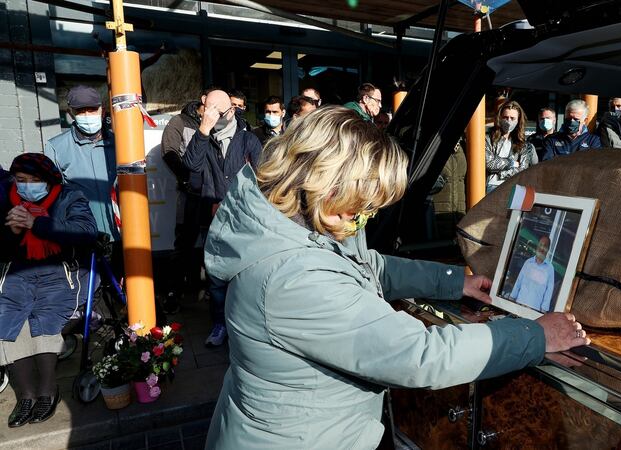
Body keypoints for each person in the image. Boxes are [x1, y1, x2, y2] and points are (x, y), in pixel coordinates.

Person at [203, 106, 590, 448]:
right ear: (328, 185)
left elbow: (367, 266)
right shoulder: (292, 276)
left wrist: (455, 282)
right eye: (364, 205)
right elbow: (418, 356)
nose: (365, 217)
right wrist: (536, 336)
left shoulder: (291, 224)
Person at [1, 153, 97, 428]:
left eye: (35, 180)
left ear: (50, 179)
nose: (27, 186)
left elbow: (86, 232)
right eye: (21, 180)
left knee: (45, 320)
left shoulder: (68, 196)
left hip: (61, 270)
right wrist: (13, 232)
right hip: (19, 271)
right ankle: (26, 395)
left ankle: (47, 390)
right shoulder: (8, 198)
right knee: (6, 321)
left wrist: (38, 224)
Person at [182, 89, 262, 347]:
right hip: (213, 218)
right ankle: (220, 324)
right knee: (216, 276)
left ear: (232, 111)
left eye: (220, 112)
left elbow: (263, 180)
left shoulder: (248, 140)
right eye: (210, 110)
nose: (215, 116)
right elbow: (191, 167)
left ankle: (248, 325)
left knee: (247, 273)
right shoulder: (203, 138)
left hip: (245, 218)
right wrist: (203, 130)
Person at [44, 85, 118, 244]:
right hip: (83, 235)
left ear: (102, 111)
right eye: (80, 111)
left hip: (123, 234)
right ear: (71, 113)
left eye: (92, 109)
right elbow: (51, 195)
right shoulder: (56, 147)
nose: (87, 114)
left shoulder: (121, 144)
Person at [160, 93, 207, 314]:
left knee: (215, 243)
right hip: (190, 196)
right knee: (184, 245)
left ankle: (211, 292)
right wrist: (187, 178)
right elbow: (169, 152)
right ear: (203, 101)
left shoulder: (223, 123)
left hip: (214, 195)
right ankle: (173, 293)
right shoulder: (180, 121)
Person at [485, 100, 537, 192]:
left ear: (518, 120)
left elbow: (522, 169)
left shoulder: (523, 144)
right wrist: (512, 163)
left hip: (512, 188)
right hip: (489, 188)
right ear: (500, 118)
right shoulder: (488, 138)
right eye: (505, 117)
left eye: (512, 118)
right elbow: (489, 163)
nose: (508, 121)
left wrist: (501, 173)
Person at [511, 236, 555, 312]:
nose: (542, 248)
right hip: (519, 305)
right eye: (540, 244)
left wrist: (543, 310)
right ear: (537, 246)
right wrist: (512, 297)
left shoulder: (550, 268)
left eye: (545, 246)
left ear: (548, 249)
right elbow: (519, 281)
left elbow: (549, 291)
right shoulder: (528, 262)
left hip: (534, 310)